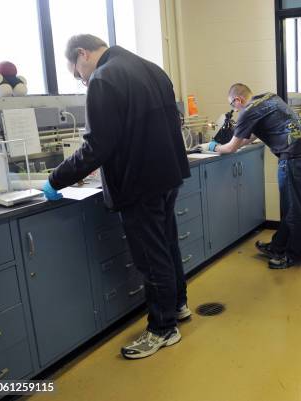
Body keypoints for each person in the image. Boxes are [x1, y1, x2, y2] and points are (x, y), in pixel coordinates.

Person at [41, 34, 192, 359]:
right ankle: (178, 305)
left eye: (76, 73)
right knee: (166, 245)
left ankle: (163, 329)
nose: (81, 80)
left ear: (82, 54)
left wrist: (56, 178)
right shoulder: (152, 69)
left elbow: (98, 145)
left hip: (139, 183)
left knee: (152, 258)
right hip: (168, 175)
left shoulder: (103, 78)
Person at [201, 84, 301, 269]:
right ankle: (278, 246)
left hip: (293, 159)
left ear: (238, 100)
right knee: (291, 208)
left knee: (294, 211)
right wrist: (237, 142)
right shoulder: (270, 98)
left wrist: (212, 147)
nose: (235, 109)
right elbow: (253, 135)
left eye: (233, 105)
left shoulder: (248, 111)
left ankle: (294, 256)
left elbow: (230, 147)